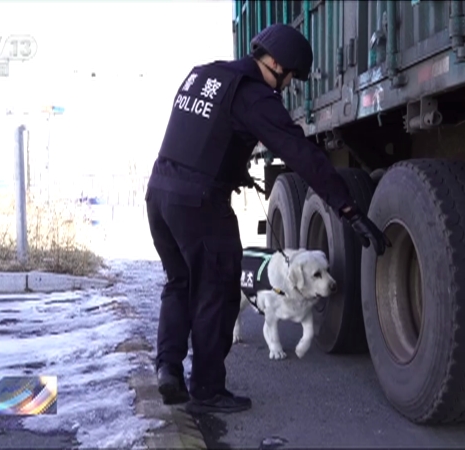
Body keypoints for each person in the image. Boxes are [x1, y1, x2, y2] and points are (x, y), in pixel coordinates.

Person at [145, 23, 390, 415]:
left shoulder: (204, 74)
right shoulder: (253, 95)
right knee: (218, 291)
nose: (287, 84)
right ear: (274, 62)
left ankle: (168, 368)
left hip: (159, 195)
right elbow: (300, 154)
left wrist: (233, 169)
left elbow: (200, 136)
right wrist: (348, 207)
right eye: (289, 75)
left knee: (180, 282)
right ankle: (207, 388)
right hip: (200, 205)